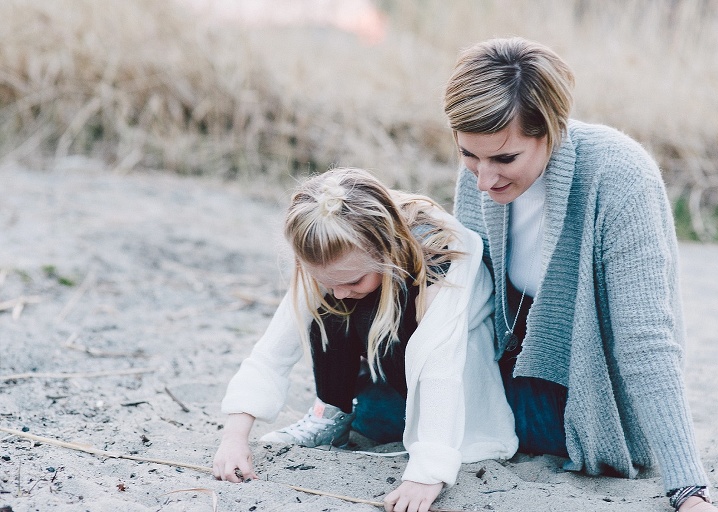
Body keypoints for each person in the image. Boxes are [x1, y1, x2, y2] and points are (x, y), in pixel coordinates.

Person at [443, 37, 718, 512]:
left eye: (504, 159)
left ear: (552, 131)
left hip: (587, 398)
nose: (483, 179)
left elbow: (646, 339)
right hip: (511, 368)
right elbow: (466, 299)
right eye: (468, 155)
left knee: (386, 410)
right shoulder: (479, 171)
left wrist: (689, 491)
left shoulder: (621, 176)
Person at [212, 167, 518, 512]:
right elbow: (273, 350)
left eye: (353, 280)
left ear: (386, 252)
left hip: (451, 365)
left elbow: (439, 367)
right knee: (330, 304)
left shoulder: (440, 261)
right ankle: (330, 413)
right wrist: (234, 437)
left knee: (367, 316)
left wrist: (427, 472)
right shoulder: (331, 253)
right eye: (328, 280)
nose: (340, 290)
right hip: (384, 352)